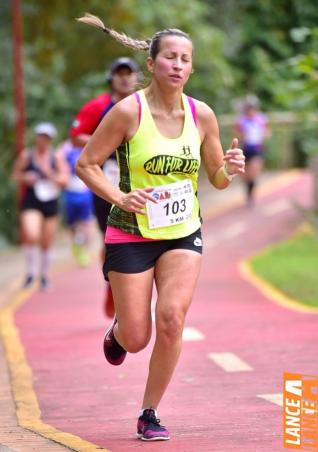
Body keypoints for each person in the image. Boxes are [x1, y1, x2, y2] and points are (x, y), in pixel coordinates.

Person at [76, 13, 245, 442]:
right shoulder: (126, 113)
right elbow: (87, 164)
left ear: (191, 68)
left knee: (171, 318)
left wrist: (229, 168)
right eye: (169, 56)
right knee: (136, 337)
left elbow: (216, 178)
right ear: (151, 64)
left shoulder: (202, 115)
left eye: (185, 59)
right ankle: (117, 332)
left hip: (183, 232)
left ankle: (149, 411)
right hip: (130, 233)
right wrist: (119, 196)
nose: (177, 64)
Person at [70, 56, 141, 316]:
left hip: (139, 180)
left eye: (129, 73)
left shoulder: (143, 104)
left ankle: (134, 289)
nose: (124, 77)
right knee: (111, 238)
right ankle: (112, 284)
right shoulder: (97, 106)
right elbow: (76, 136)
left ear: (136, 77)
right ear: (111, 78)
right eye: (119, 73)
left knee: (142, 235)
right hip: (105, 182)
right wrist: (107, 140)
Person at [12, 122, 69, 290]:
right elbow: (15, 174)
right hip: (31, 200)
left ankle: (44, 275)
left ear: (51, 140)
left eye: (47, 137)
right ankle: (30, 273)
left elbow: (64, 180)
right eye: (40, 136)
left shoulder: (56, 157)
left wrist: (49, 174)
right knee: (31, 234)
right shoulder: (27, 156)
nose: (43, 140)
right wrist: (25, 177)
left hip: (50, 201)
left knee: (46, 241)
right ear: (36, 138)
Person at [57, 140, 93, 267]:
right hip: (70, 193)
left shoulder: (88, 144)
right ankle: (76, 244)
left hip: (85, 192)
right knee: (72, 225)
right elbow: (59, 161)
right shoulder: (65, 148)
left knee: (86, 224)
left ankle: (85, 252)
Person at [235, 95, 269, 206]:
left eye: (252, 108)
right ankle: (248, 192)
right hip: (245, 149)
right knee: (246, 175)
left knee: (254, 172)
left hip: (257, 149)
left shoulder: (261, 119)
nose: (251, 110)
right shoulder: (241, 121)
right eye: (249, 108)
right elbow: (237, 134)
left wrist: (263, 136)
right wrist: (243, 136)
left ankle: (251, 196)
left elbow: (267, 132)